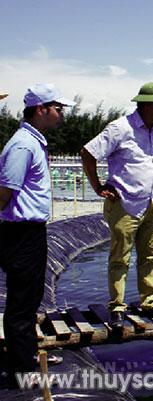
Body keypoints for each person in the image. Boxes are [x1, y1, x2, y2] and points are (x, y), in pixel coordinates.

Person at [80, 82, 153, 327]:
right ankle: (117, 306)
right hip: (125, 203)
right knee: (120, 257)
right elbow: (88, 153)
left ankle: (150, 302)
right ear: (149, 105)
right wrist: (98, 187)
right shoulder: (120, 128)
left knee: (150, 256)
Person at [0, 84, 74, 381]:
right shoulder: (22, 145)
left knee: (30, 300)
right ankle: (24, 371)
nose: (61, 115)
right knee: (21, 303)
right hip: (21, 233)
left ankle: (27, 354)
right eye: (58, 109)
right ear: (41, 109)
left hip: (30, 232)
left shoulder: (33, 142)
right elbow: (5, 191)